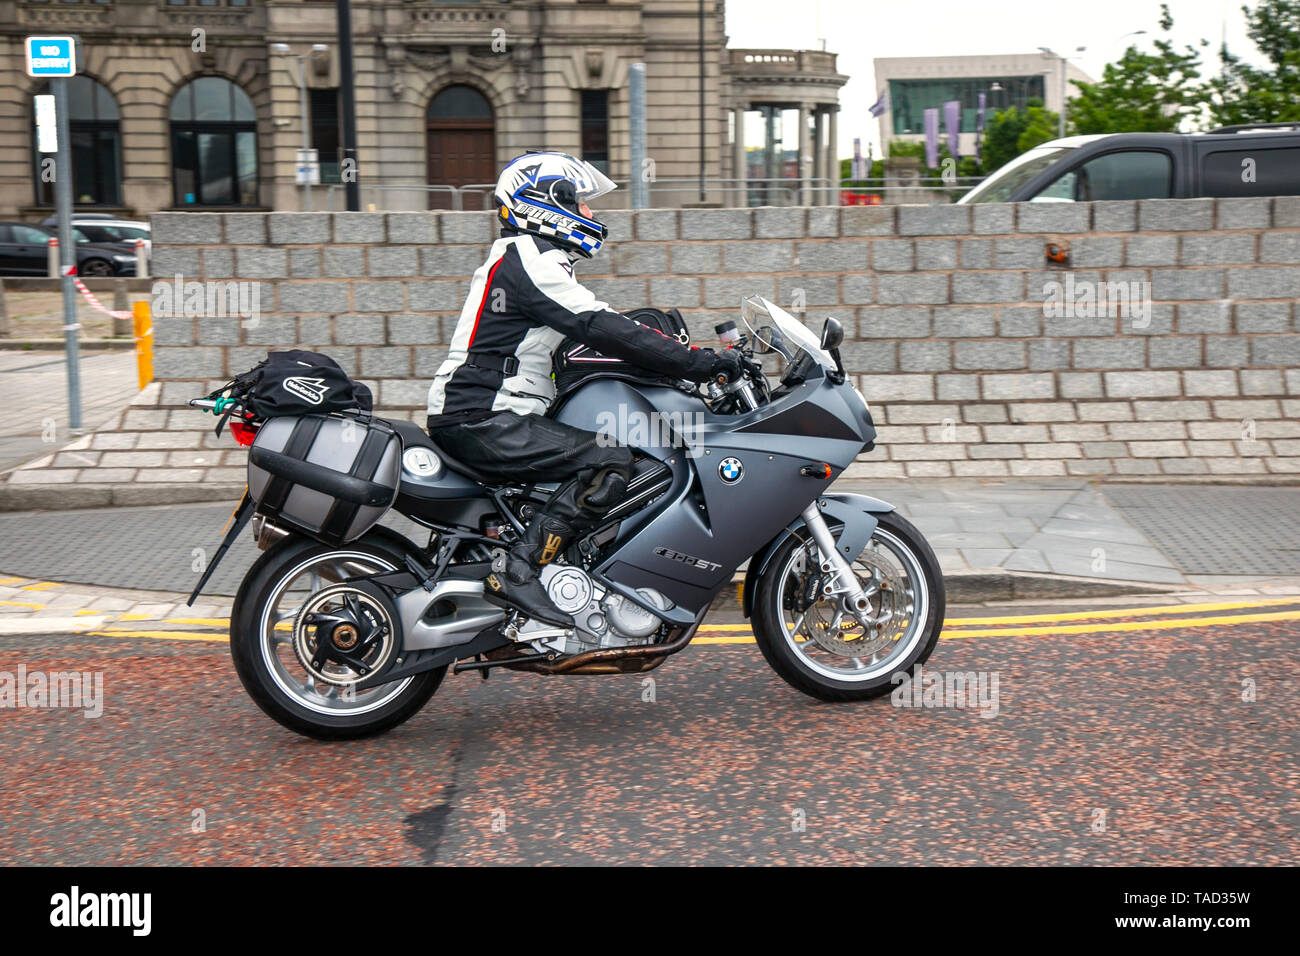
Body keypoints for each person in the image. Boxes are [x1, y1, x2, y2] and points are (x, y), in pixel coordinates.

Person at [426, 151, 741, 629]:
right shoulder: (527, 260)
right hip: (481, 415)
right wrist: (701, 364)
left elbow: (599, 336)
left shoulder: (530, 261)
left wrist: (669, 360)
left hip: (490, 413)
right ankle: (520, 569)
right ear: (547, 203)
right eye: (582, 202)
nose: (591, 214)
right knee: (612, 460)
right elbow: (602, 327)